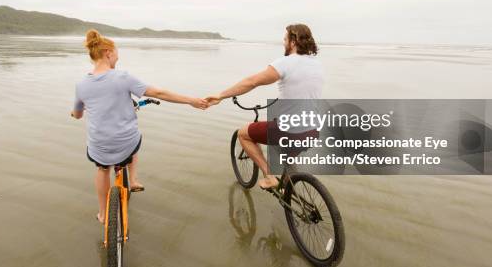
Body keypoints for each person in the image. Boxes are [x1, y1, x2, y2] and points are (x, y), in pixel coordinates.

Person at [71, 29, 208, 223]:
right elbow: (158, 93)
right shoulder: (123, 77)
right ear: (108, 53)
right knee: (134, 137)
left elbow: (77, 114)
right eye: (117, 53)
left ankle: (102, 213)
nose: (118, 57)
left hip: (99, 145)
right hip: (126, 142)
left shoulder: (81, 84)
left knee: (102, 170)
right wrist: (191, 100)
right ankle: (133, 180)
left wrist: (77, 112)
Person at [205, 24, 322, 189]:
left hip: (290, 130)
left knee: (243, 134)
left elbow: (252, 82)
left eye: (285, 39)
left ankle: (269, 178)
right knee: (289, 152)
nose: (283, 42)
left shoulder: (284, 63)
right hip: (313, 130)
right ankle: (290, 191)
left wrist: (221, 95)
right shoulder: (316, 63)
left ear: (293, 41)